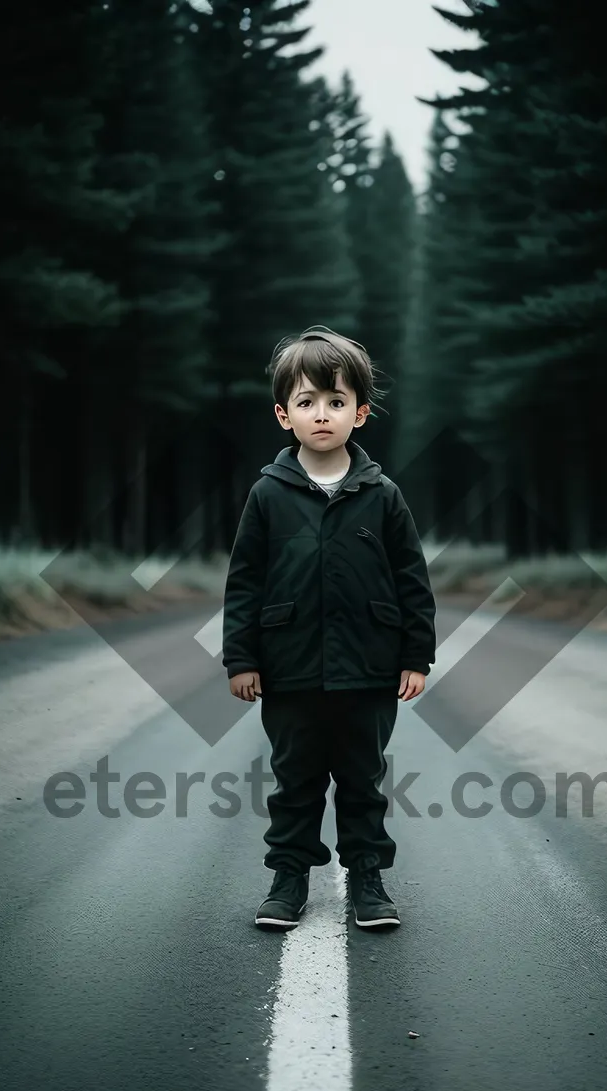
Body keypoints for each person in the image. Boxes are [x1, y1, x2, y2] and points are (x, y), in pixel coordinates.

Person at [222, 326, 436, 931]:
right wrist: (241, 660)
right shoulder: (267, 495)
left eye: (337, 402)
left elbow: (412, 581)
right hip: (289, 670)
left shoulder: (383, 495)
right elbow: (245, 583)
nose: (322, 414)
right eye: (307, 402)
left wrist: (416, 656)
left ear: (360, 414)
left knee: (362, 781)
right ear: (283, 414)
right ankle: (288, 879)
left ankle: (367, 880)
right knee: (295, 781)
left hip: (369, 669)